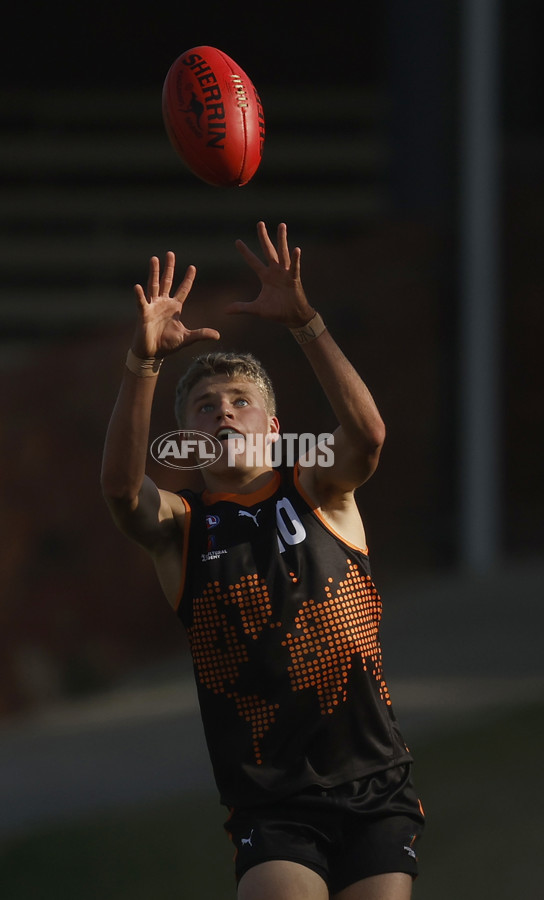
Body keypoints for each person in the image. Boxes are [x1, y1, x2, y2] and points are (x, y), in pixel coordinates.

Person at [101, 222, 425, 899]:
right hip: (272, 803)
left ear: (274, 429)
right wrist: (142, 364)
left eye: (241, 403)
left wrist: (305, 320)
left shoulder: (318, 491)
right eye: (205, 408)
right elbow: (121, 490)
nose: (224, 414)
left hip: (373, 781)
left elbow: (367, 435)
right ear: (186, 440)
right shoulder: (182, 525)